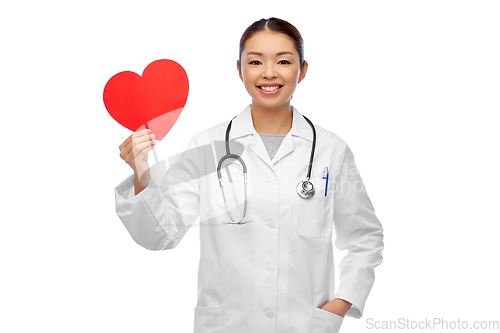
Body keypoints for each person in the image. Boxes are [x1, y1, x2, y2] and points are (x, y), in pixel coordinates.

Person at [115, 17, 384, 333]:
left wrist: (343, 302)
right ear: (240, 70)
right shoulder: (207, 146)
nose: (269, 72)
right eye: (255, 61)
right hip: (229, 324)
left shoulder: (331, 149)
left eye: (283, 61)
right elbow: (161, 235)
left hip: (304, 324)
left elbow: (365, 235)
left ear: (303, 69)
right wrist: (141, 173)